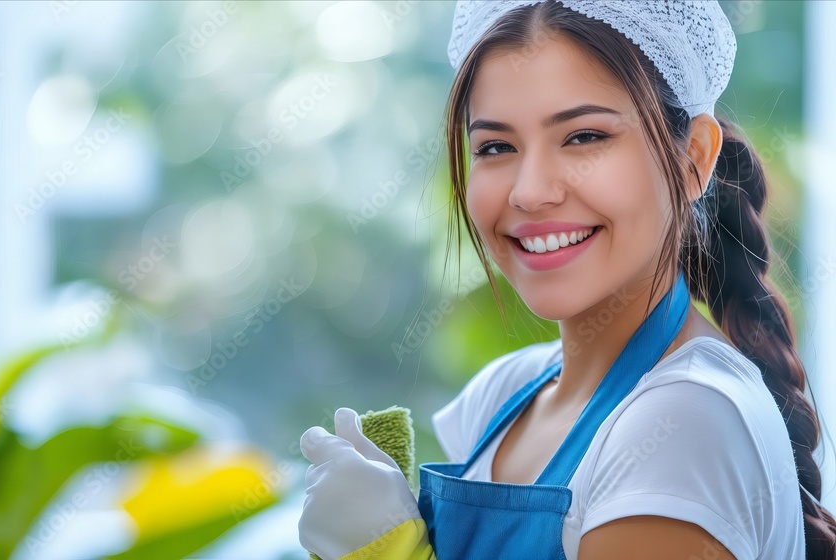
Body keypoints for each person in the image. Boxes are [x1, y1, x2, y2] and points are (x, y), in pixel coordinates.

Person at [298, 1, 836, 559]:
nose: (530, 191)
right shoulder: (504, 394)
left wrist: (387, 551)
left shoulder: (684, 426)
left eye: (583, 137)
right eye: (496, 147)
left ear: (693, 159)